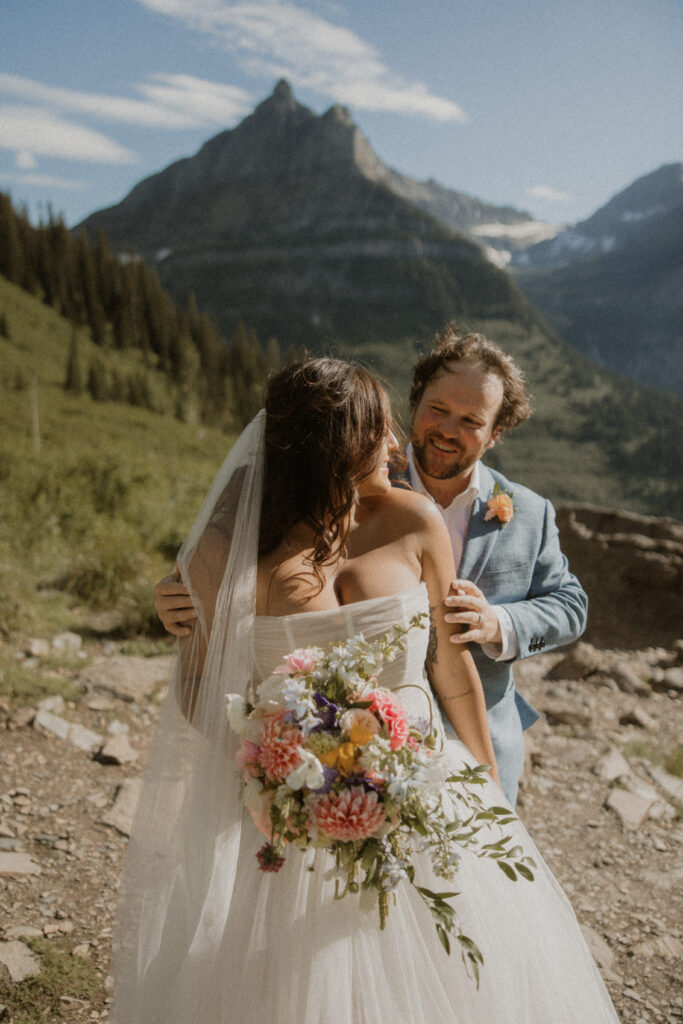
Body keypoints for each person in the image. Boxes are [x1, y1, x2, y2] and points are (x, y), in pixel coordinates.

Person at [116, 358, 619, 1024]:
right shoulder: (223, 549)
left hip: (429, 791)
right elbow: (198, 686)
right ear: (329, 446)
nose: (395, 446)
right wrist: (282, 769)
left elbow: (450, 672)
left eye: (471, 420)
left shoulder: (412, 519)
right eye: (378, 432)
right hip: (286, 813)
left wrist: (489, 793)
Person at [155, 326, 587, 805]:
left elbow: (570, 609)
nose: (445, 429)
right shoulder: (358, 472)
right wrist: (177, 597)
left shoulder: (529, 512)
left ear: (494, 433)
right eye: (437, 410)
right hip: (308, 768)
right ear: (414, 400)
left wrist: (500, 625)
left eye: (470, 420)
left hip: (471, 746)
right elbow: (229, 564)